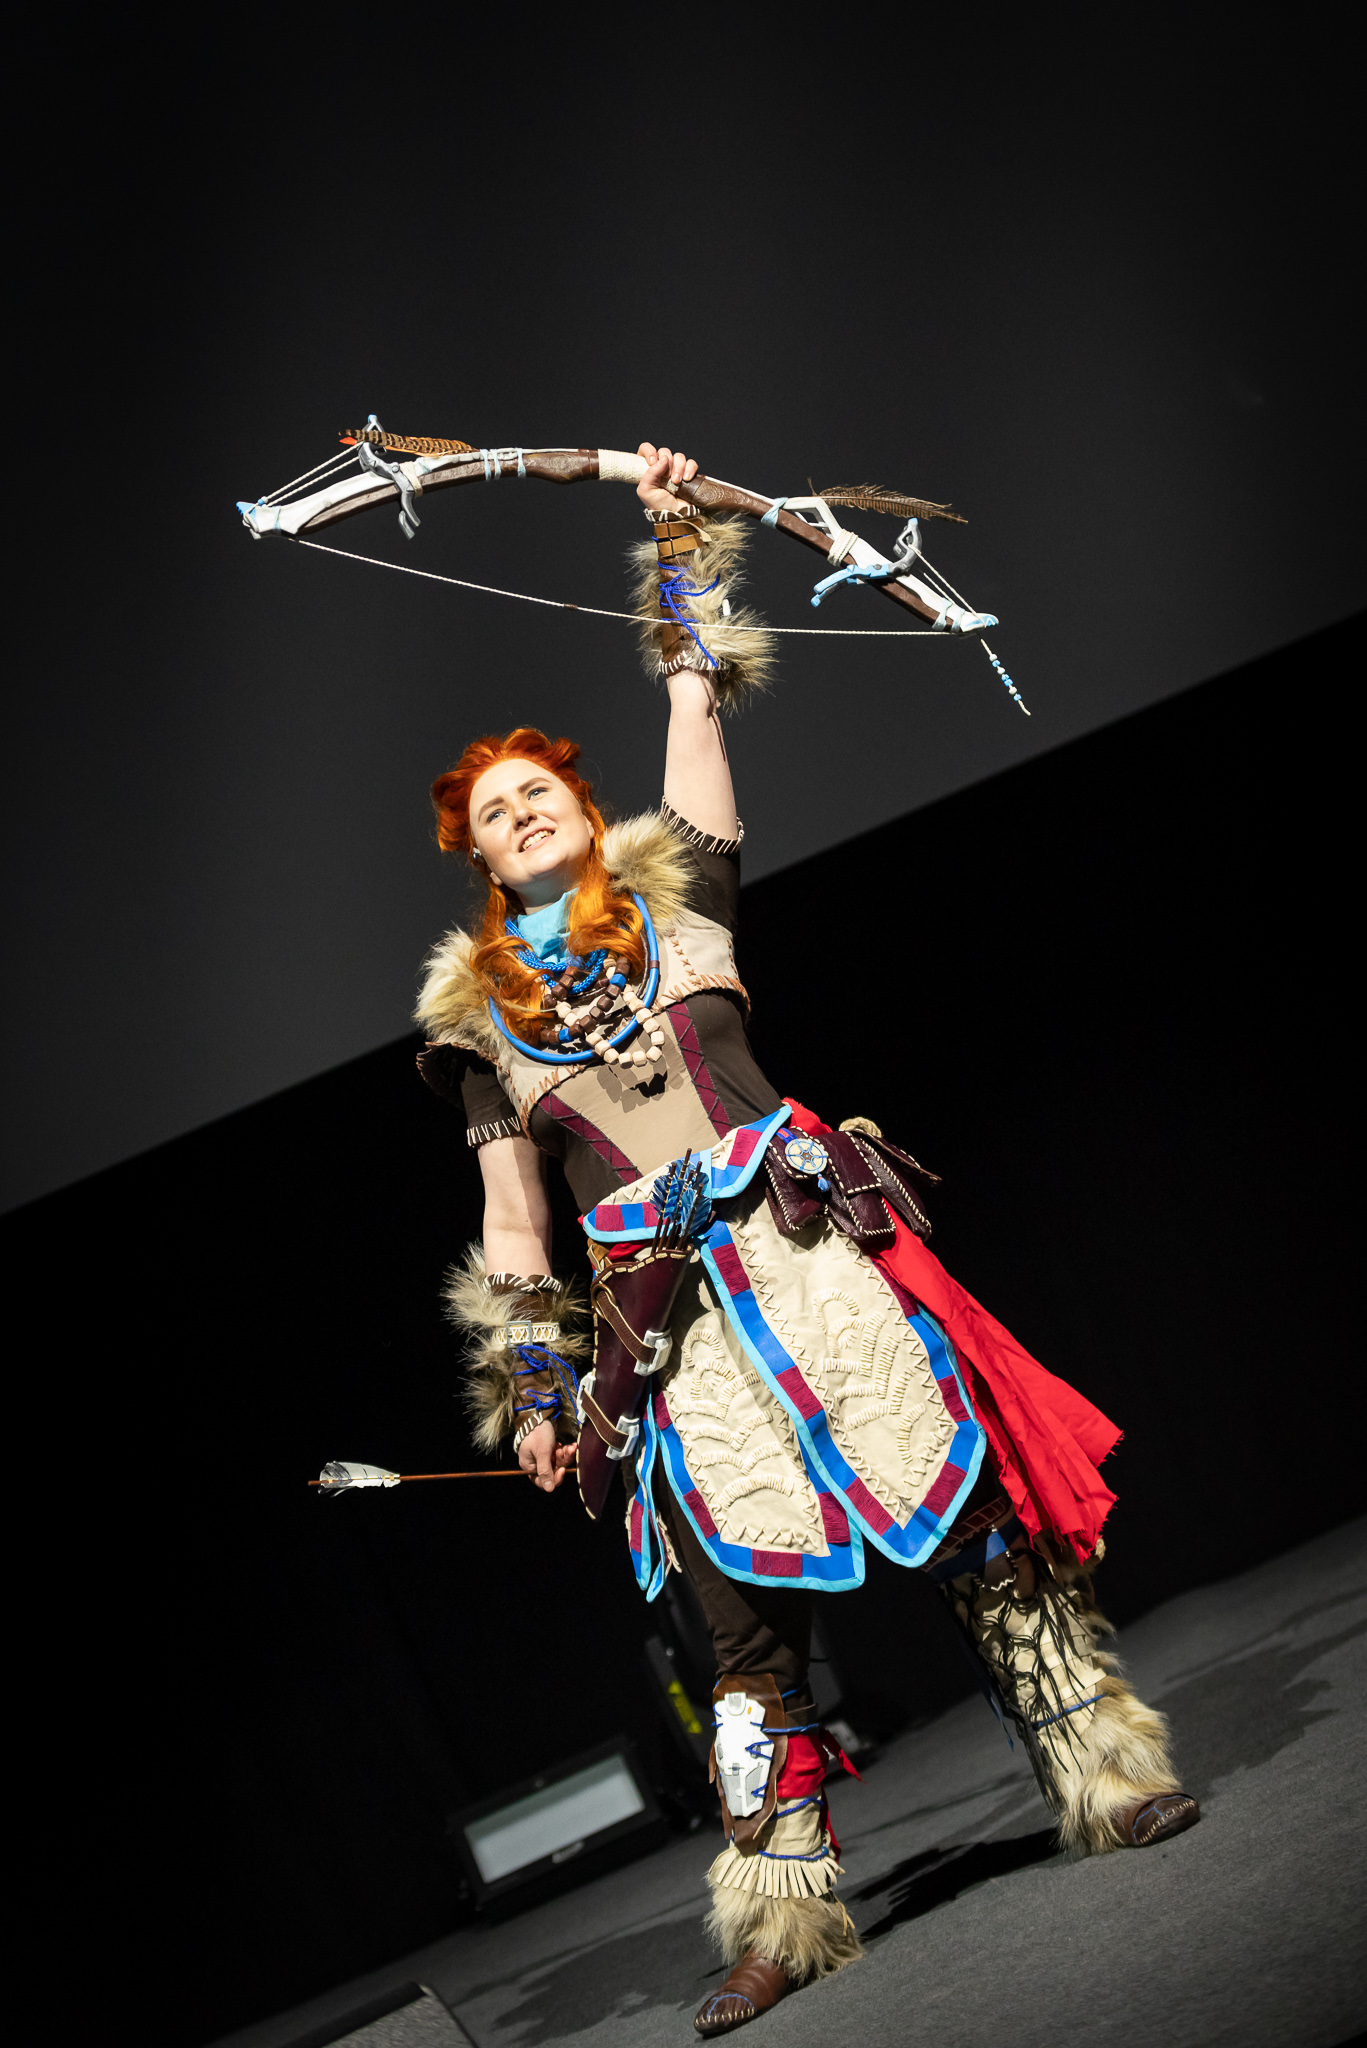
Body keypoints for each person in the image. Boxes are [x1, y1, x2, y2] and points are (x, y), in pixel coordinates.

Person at [415, 442, 1199, 2038]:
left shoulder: (685, 902)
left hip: (814, 1263)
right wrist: (541, 1388)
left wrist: (679, 544)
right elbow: (512, 1221)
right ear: (479, 860)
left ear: (586, 811)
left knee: (968, 1520)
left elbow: (698, 704)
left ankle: (1106, 1776)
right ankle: (781, 1920)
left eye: (541, 790)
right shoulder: (474, 1032)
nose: (523, 812)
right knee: (740, 1635)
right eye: (496, 812)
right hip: (675, 1335)